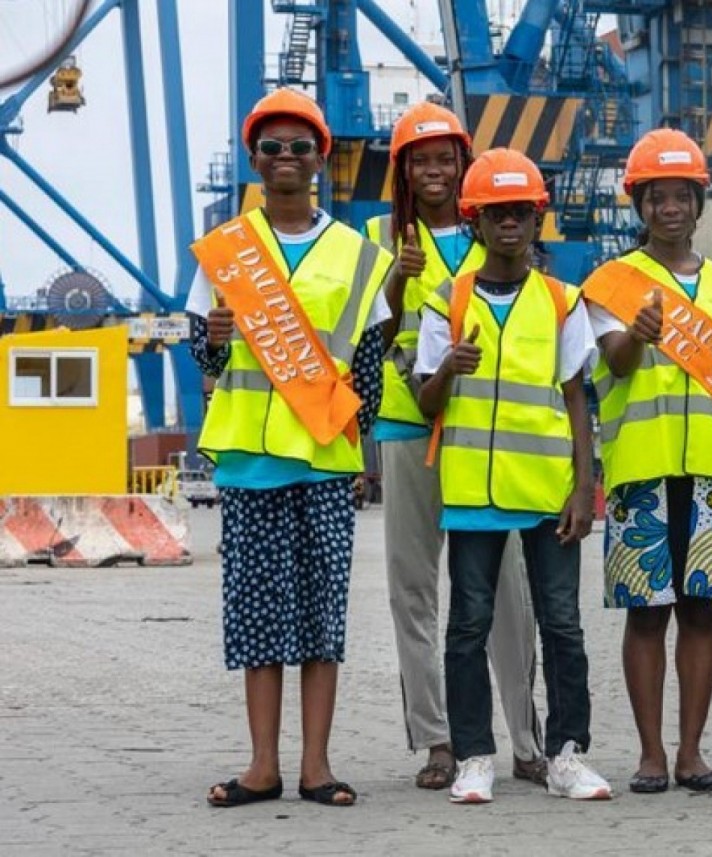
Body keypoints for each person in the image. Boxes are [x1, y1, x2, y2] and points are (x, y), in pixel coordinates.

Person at [190, 88, 392, 809]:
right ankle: (261, 766)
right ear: (254, 159)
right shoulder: (226, 251)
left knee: (319, 615)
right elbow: (207, 365)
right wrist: (209, 351)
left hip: (324, 460)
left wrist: (364, 457)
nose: (285, 159)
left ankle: (316, 766)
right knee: (255, 614)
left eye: (298, 147)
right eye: (272, 147)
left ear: (320, 158)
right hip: (249, 459)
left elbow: (367, 366)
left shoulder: (359, 256)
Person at [414, 147, 609, 804]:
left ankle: (567, 753)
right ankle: (474, 754)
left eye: (520, 213)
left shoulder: (560, 301)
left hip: (547, 490)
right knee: (467, 624)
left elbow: (577, 396)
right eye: (495, 213)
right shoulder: (449, 300)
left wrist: (584, 488)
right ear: (474, 219)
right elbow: (424, 401)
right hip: (472, 492)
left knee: (562, 625)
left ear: (536, 220)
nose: (509, 224)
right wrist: (448, 369)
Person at [582, 129, 712, 794]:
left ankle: (692, 752)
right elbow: (613, 362)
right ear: (639, 205)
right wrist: (637, 334)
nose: (668, 208)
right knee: (646, 613)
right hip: (643, 469)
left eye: (680, 196)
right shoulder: (610, 282)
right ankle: (650, 753)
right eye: (655, 197)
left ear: (697, 203)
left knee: (701, 611)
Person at [367, 102, 544, 792]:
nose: (433, 170)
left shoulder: (491, 235)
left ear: (463, 166)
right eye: (421, 159)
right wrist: (396, 279)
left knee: (507, 594)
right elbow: (365, 345)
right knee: (414, 591)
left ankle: (526, 739)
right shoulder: (378, 239)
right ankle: (437, 740)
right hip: (409, 430)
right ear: (402, 170)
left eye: (445, 157)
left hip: (482, 436)